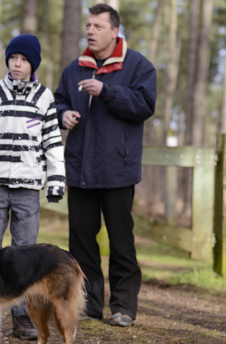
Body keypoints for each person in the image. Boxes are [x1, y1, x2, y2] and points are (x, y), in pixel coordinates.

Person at [54, 4, 156, 327]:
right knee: (81, 241)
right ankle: (90, 304)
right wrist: (63, 115)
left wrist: (107, 92)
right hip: (80, 169)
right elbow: (59, 100)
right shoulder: (74, 69)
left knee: (121, 241)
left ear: (115, 31)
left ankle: (123, 306)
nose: (90, 31)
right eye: (88, 25)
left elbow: (145, 104)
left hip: (118, 170)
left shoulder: (139, 66)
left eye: (98, 26)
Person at [0, 34, 65, 340]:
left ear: (32, 63)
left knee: (24, 251)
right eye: (12, 58)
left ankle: (23, 317)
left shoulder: (45, 98)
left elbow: (52, 142)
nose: (17, 64)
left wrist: (57, 179)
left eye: (23, 59)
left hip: (28, 186)